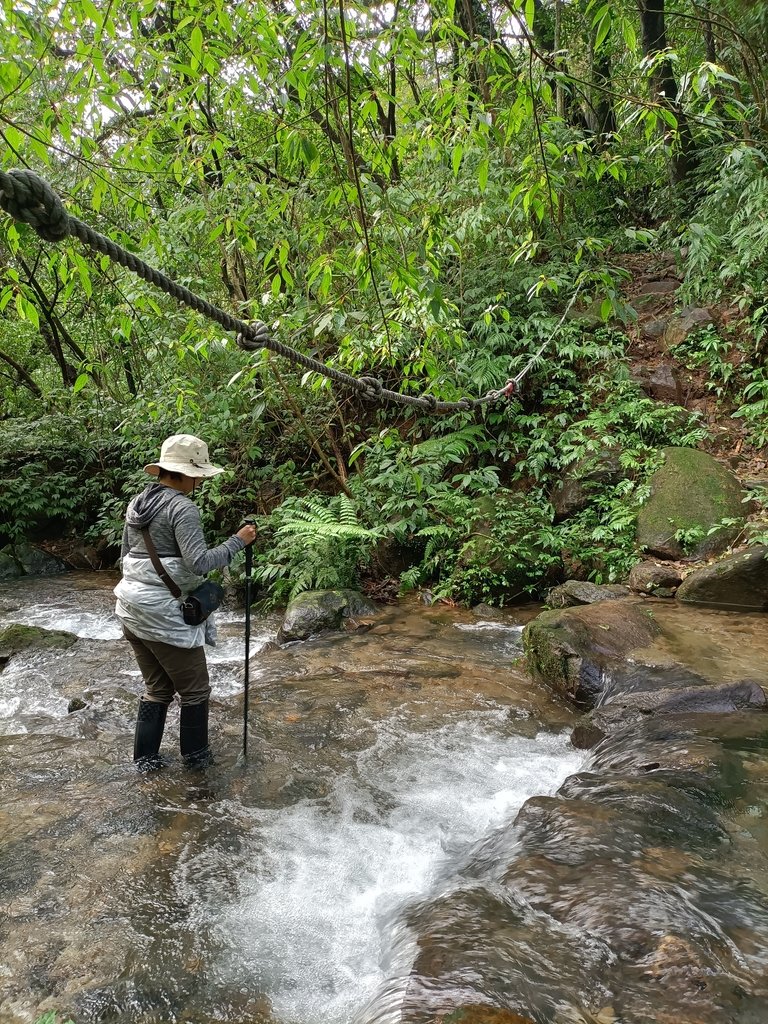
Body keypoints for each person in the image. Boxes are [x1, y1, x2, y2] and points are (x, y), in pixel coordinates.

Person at [114, 434, 256, 769]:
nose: (199, 481)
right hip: (163, 614)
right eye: (198, 474)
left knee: (157, 689)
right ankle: (197, 764)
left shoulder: (137, 503)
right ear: (185, 472)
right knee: (195, 692)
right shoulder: (182, 507)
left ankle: (146, 763)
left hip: (131, 609)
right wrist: (239, 540)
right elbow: (199, 563)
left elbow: (124, 557)